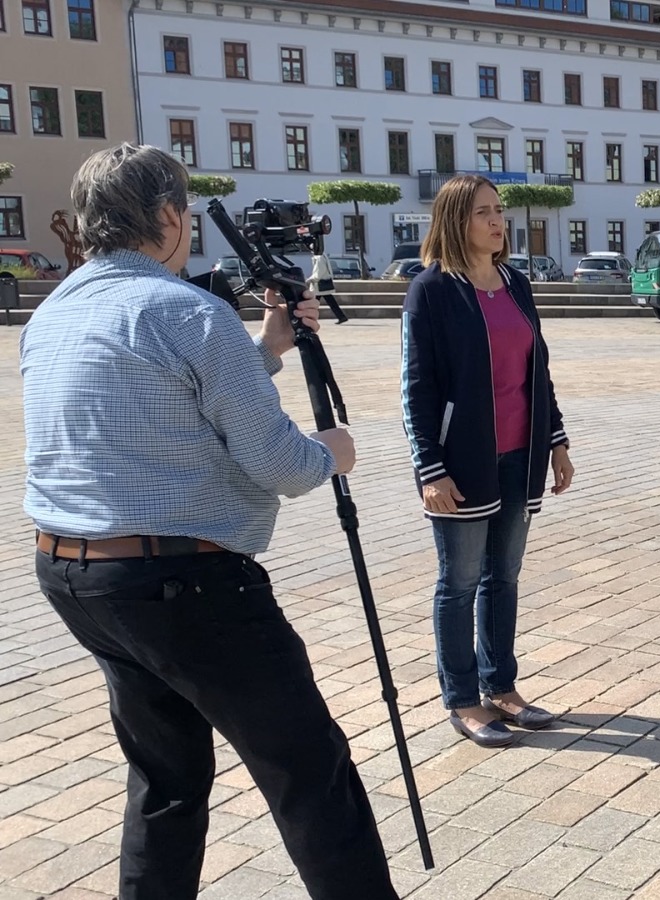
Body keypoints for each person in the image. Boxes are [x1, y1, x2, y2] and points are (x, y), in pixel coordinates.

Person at [21, 143, 395, 898]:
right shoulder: (189, 311)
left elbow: (160, 402)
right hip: (185, 583)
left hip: (76, 576)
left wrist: (265, 350)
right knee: (308, 771)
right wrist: (332, 452)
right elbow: (282, 465)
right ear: (169, 216)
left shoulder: (55, 310)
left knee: (167, 777)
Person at [401, 175, 575, 749]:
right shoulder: (431, 290)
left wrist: (556, 441)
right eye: (483, 212)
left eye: (499, 210)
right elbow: (416, 387)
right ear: (456, 220)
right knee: (459, 582)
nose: (498, 221)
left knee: (504, 577)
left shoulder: (516, 284)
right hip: (462, 462)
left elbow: (538, 371)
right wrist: (430, 469)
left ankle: (501, 687)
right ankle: (463, 698)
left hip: (520, 455)